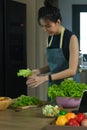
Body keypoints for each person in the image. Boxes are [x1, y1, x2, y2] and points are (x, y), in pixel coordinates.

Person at [26, 0, 80, 89]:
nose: (45, 29)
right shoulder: (50, 38)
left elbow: (72, 70)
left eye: (47, 26)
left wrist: (45, 78)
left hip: (70, 86)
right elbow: (55, 65)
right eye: (42, 26)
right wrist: (39, 71)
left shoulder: (71, 38)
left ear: (58, 22)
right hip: (54, 85)